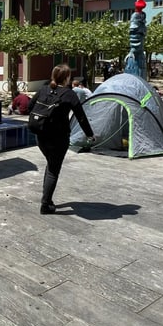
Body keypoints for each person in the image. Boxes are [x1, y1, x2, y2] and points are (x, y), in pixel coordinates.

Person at [27, 64, 96, 215]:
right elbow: (81, 117)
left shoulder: (44, 88)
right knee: (53, 169)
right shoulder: (69, 94)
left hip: (41, 136)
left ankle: (47, 200)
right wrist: (90, 135)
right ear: (66, 78)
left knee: (51, 165)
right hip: (58, 139)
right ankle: (45, 205)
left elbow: (29, 106)